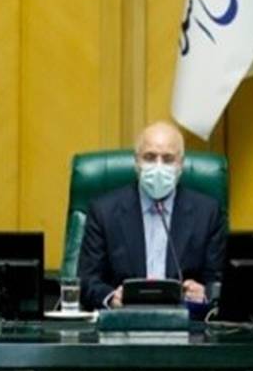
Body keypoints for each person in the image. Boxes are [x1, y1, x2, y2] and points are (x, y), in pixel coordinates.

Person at [77, 120, 227, 309]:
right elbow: (87, 280)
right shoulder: (103, 211)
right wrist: (111, 297)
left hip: (184, 320)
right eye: (149, 157)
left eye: (168, 159)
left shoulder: (208, 213)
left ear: (181, 165)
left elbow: (219, 282)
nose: (158, 167)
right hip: (125, 319)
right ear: (136, 162)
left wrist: (204, 293)